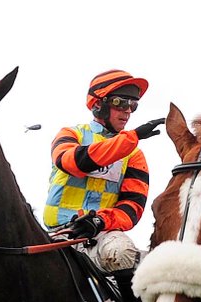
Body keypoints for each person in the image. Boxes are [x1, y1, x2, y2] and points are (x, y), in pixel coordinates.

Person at [43, 68, 165, 277]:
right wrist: (131, 138)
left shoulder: (134, 154)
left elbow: (132, 208)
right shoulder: (71, 134)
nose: (128, 111)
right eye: (120, 103)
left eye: (133, 105)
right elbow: (73, 162)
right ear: (98, 104)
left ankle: (130, 301)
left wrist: (100, 221)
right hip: (57, 233)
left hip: (100, 234)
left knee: (123, 252)